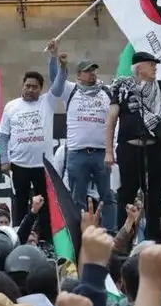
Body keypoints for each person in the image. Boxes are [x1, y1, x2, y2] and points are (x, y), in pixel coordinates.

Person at [106, 50, 161, 243]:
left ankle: (154, 239)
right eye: (151, 65)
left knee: (155, 195)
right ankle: (124, 238)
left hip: (155, 147)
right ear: (139, 67)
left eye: (156, 65)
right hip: (129, 148)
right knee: (126, 194)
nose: (155, 68)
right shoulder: (123, 88)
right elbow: (111, 119)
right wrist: (108, 151)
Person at [47, 39, 116, 230]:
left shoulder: (107, 92)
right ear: (79, 75)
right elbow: (55, 80)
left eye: (94, 70)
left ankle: (110, 234)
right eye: (88, 71)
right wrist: (55, 59)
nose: (92, 73)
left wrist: (112, 149)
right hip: (76, 153)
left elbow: (114, 120)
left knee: (106, 196)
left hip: (101, 153)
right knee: (77, 198)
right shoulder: (70, 90)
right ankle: (78, 234)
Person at [0, 71, 59, 240]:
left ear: (41, 89)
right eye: (27, 86)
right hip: (19, 165)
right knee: (20, 204)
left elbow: (59, 83)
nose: (30, 90)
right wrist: (4, 159)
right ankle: (18, 238)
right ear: (22, 86)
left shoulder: (47, 102)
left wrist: (58, 62)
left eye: (35, 87)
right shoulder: (11, 106)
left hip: (43, 166)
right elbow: (3, 135)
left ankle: (46, 240)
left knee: (45, 206)